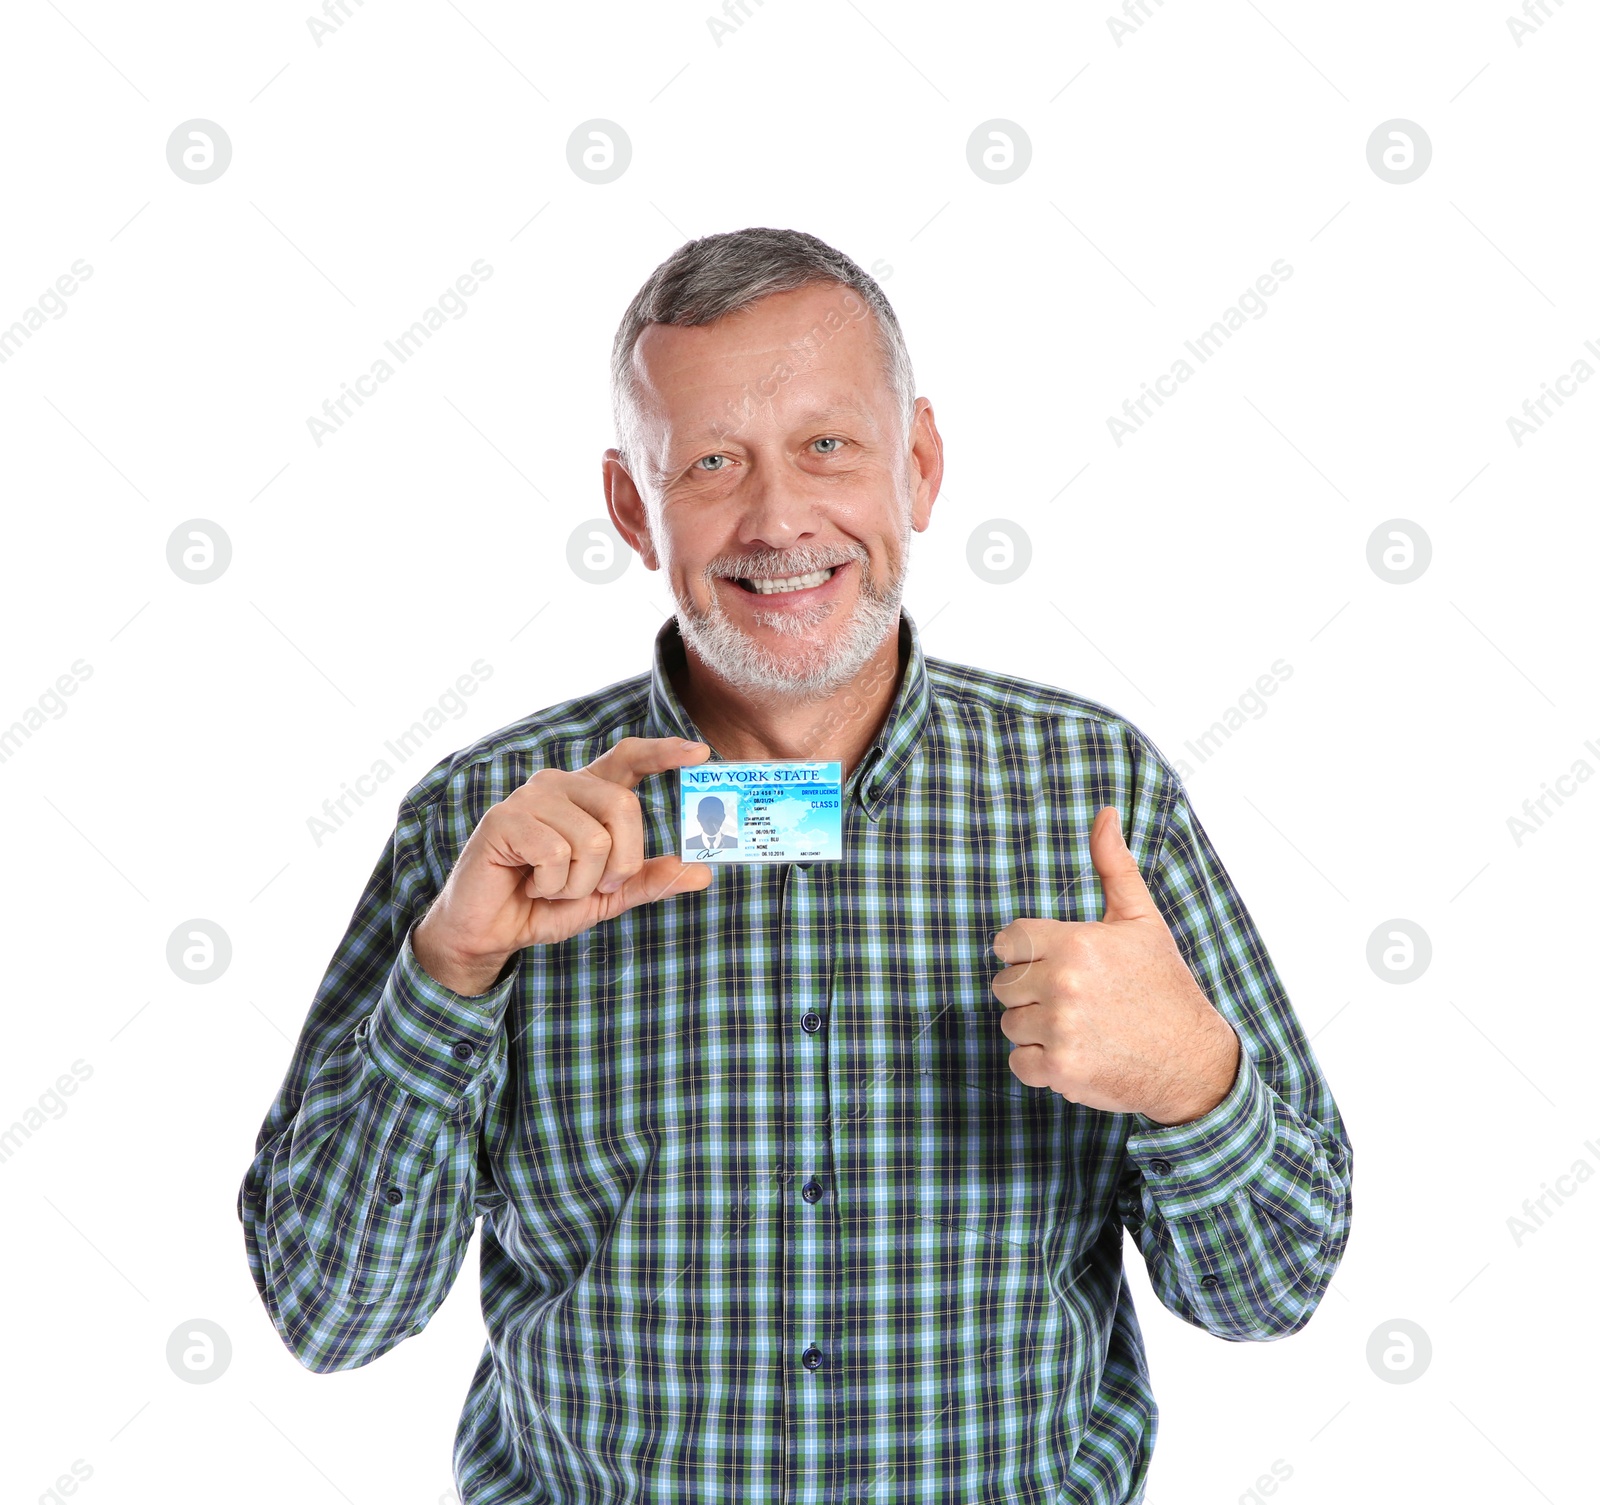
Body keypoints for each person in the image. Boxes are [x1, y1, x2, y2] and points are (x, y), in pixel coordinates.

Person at [239, 227, 1353, 1505]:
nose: (777, 521)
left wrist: (1190, 1080)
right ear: (629, 506)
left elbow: (1276, 1293)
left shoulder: (1093, 795)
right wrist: (449, 975)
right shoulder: (480, 829)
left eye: (827, 446)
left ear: (918, 467)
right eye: (711, 463)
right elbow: (328, 1319)